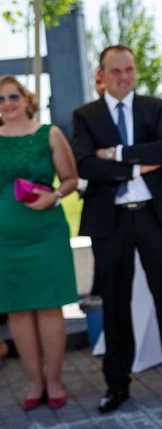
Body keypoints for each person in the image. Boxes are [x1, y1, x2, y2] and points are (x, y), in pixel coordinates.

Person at [72, 45, 162, 413]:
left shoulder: (155, 107)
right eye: (115, 71)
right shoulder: (85, 115)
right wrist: (136, 165)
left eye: (129, 69)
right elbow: (85, 164)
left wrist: (114, 154)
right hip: (110, 221)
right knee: (114, 304)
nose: (124, 77)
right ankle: (117, 386)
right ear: (101, 74)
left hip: (154, 216)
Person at [0, 75, 78, 411]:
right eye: (0, 99)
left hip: (45, 232)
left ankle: (55, 379)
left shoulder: (50, 134)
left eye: (12, 96)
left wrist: (55, 196)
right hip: (5, 239)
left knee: (49, 306)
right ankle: (34, 381)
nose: (7, 104)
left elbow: (71, 179)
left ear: (27, 98)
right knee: (17, 310)